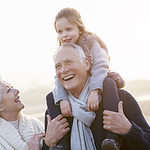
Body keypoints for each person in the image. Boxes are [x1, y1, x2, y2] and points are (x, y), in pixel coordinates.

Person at [43, 43, 150, 150]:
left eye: (68, 62)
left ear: (86, 63)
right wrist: (47, 143)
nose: (63, 70)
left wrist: (129, 130)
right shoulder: (54, 112)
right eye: (58, 66)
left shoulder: (120, 99)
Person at [53, 7, 124, 149]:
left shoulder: (90, 41)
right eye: (60, 32)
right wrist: (62, 99)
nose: (64, 35)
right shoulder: (63, 48)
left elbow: (100, 66)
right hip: (78, 87)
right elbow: (58, 76)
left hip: (98, 78)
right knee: (52, 96)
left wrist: (95, 90)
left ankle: (112, 138)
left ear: (79, 28)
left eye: (68, 29)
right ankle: (61, 144)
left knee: (109, 83)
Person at [0, 80, 69, 150]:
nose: (16, 91)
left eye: (12, 87)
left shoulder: (34, 123)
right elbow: (48, 143)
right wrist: (48, 142)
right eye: (8, 90)